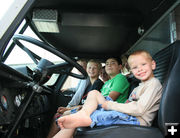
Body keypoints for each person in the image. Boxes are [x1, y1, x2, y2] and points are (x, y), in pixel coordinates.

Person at [54, 50, 162, 138]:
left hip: (135, 121)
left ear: (152, 65)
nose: (139, 69)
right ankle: (84, 114)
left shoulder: (153, 84)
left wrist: (110, 105)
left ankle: (83, 115)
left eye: (143, 64)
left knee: (74, 121)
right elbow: (129, 104)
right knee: (94, 93)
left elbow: (139, 109)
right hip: (127, 116)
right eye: (134, 67)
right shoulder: (139, 87)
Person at [53, 57, 130, 138]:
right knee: (67, 117)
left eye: (113, 63)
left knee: (69, 120)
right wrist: (72, 109)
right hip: (100, 109)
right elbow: (93, 103)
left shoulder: (120, 78)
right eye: (107, 64)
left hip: (108, 111)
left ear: (120, 66)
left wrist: (76, 109)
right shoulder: (107, 83)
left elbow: (107, 101)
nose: (109, 65)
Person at [47, 59, 104, 138]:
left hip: (87, 112)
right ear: (86, 69)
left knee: (58, 117)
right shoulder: (90, 83)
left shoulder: (97, 84)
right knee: (58, 115)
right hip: (82, 109)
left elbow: (87, 106)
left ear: (99, 71)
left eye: (94, 68)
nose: (91, 70)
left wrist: (67, 109)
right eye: (89, 68)